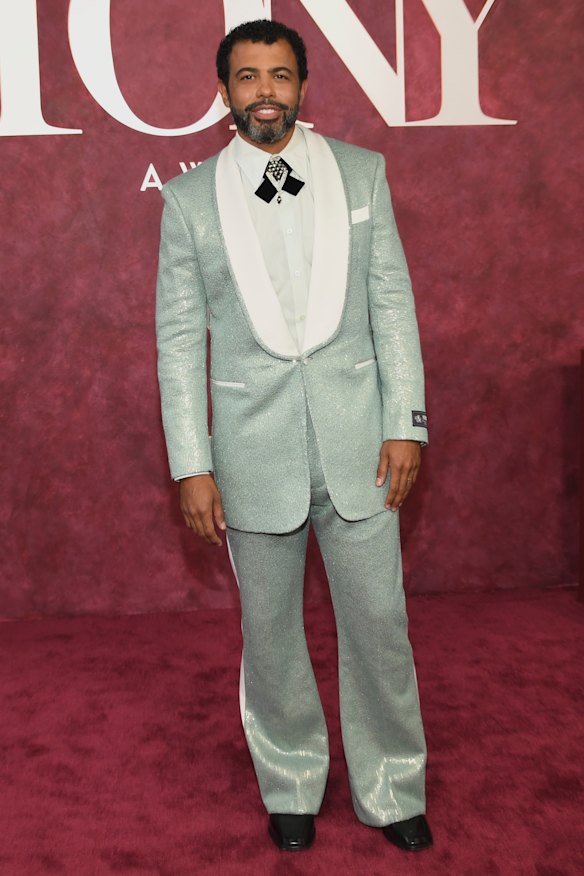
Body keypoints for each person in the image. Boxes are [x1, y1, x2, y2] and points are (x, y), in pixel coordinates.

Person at [156, 18, 433, 854]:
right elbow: (177, 340)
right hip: (249, 454)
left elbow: (392, 307)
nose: (265, 91)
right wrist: (191, 465)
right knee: (269, 633)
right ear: (225, 92)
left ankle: (393, 786)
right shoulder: (188, 198)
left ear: (303, 87)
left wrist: (406, 424)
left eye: (280, 75)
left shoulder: (362, 174)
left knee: (380, 625)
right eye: (247, 77)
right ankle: (291, 781)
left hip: (362, 447)